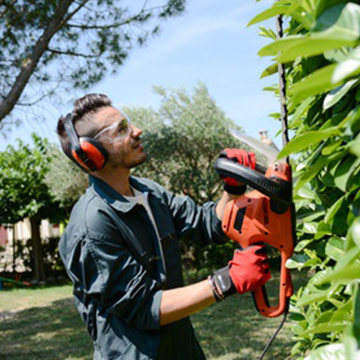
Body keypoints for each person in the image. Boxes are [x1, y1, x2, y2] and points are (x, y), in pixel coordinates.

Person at [57, 93, 271, 360]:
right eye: (121, 129)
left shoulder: (150, 193)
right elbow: (144, 306)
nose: (137, 131)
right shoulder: (91, 225)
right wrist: (225, 281)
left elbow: (206, 224)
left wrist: (233, 189)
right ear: (92, 153)